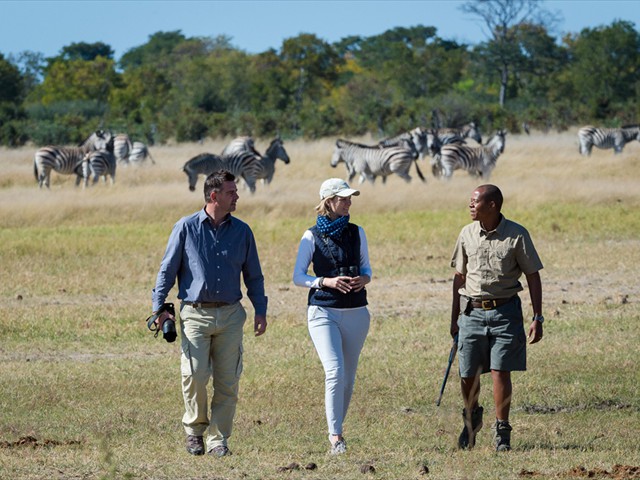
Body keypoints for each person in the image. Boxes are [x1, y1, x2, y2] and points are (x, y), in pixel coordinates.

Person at [151, 169, 268, 457]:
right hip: (195, 314)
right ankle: (194, 431)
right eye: (231, 192)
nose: (237, 196)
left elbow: (254, 276)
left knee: (228, 381)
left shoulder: (243, 231)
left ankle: (218, 440)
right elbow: (167, 270)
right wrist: (158, 306)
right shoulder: (186, 228)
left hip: (230, 315)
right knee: (195, 374)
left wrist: (260, 310)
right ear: (214, 196)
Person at [450, 184, 543, 452]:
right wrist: (454, 317)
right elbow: (459, 277)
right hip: (472, 312)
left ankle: (502, 431)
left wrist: (538, 316)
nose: (470, 205)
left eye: (475, 201)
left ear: (492, 205)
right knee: (468, 374)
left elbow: (533, 275)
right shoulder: (466, 234)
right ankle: (471, 419)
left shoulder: (517, 235)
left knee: (501, 371)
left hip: (505, 313)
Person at [292, 178, 372, 455]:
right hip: (323, 310)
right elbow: (298, 276)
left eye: (350, 198)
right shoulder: (310, 235)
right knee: (335, 371)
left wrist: (363, 279)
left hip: (357, 312)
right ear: (329, 201)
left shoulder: (357, 232)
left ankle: (339, 427)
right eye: (344, 199)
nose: (349, 203)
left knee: (348, 378)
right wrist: (325, 282)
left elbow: (367, 270)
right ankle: (335, 437)